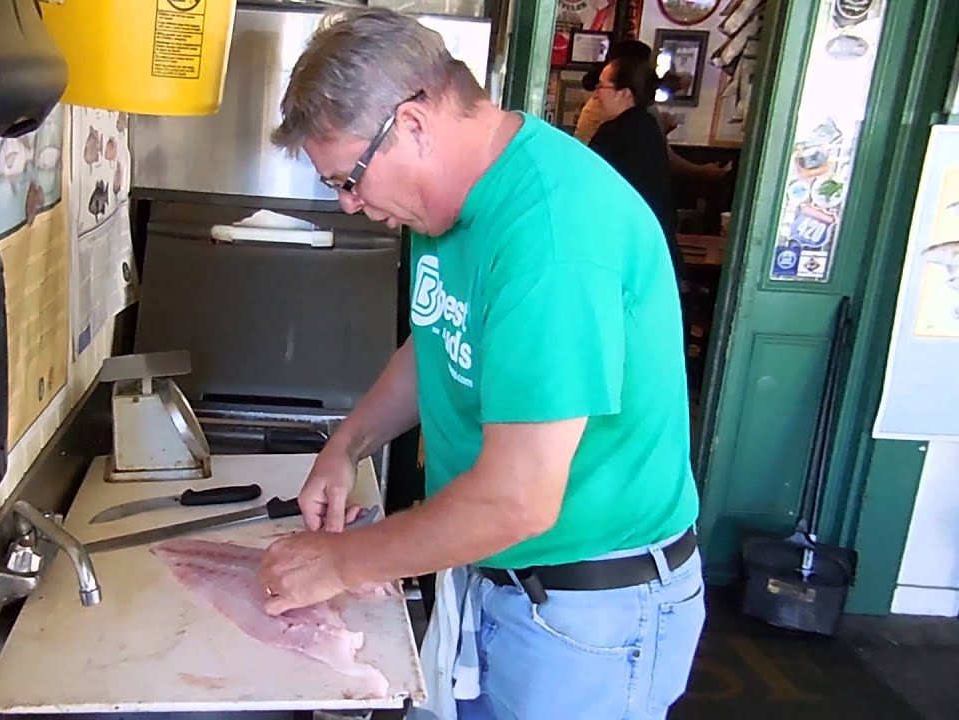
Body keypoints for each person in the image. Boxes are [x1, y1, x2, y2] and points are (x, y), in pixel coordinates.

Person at [258, 8, 705, 719]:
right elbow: (438, 336)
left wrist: (341, 561)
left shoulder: (555, 234)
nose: (350, 204)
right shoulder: (448, 204)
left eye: (348, 179)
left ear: (411, 125)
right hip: (497, 580)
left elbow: (517, 498)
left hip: (588, 618)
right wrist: (347, 445)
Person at [588, 55, 684, 287]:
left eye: (602, 86)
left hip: (624, 253)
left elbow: (589, 193)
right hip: (655, 249)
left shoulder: (613, 133)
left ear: (625, 93)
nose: (596, 94)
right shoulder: (649, 126)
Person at [576, 41, 731, 184]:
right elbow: (661, 159)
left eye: (601, 86)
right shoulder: (629, 121)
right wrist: (704, 172)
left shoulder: (629, 122)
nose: (597, 93)